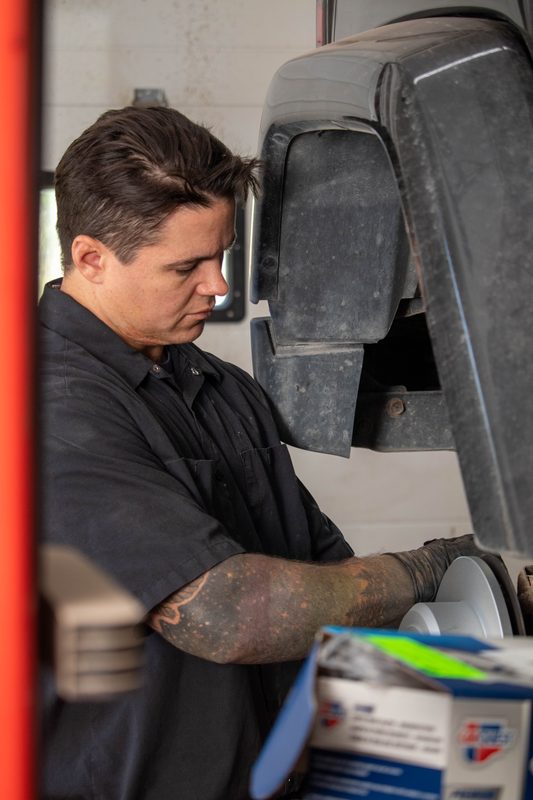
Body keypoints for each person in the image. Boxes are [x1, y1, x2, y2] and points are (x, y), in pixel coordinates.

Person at [40, 105, 482, 800]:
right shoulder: (46, 407)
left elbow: (323, 577)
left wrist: (459, 706)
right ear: (92, 258)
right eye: (186, 266)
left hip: (272, 776)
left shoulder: (215, 385)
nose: (216, 287)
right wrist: (437, 566)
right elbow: (228, 615)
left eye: (219, 256)